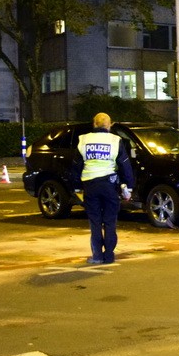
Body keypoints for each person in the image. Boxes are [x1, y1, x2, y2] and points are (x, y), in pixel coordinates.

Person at [72, 113, 134, 265]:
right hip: (109, 186)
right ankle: (109, 255)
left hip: (90, 186)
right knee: (110, 221)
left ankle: (97, 255)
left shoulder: (83, 140)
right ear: (109, 125)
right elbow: (125, 165)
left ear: (94, 124)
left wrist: (76, 187)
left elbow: (76, 165)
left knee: (95, 222)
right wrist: (128, 186)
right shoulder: (115, 140)